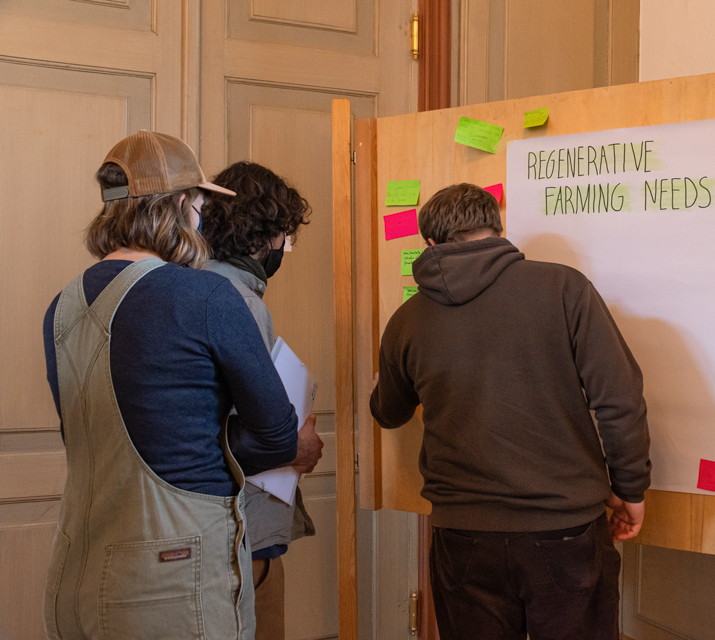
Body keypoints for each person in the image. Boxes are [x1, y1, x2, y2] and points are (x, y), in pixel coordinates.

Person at [42, 131, 320, 640]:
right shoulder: (206, 297)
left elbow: (102, 436)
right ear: (179, 205)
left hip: (76, 571)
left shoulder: (62, 307)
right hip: (174, 578)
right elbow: (279, 437)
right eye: (197, 202)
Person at [369, 183, 651, 640]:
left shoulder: (406, 320)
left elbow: (389, 412)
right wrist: (630, 489)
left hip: (461, 534)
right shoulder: (564, 287)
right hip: (564, 529)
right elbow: (619, 398)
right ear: (497, 228)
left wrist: (380, 387)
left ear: (431, 244)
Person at [200, 161, 318, 640]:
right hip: (242, 531)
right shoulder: (241, 303)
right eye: (283, 236)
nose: (283, 248)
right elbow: (244, 433)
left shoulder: (187, 286)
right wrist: (297, 448)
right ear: (262, 234)